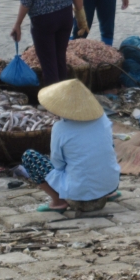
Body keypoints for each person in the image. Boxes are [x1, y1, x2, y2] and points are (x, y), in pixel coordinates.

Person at [20, 79, 121, 212]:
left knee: (30, 156)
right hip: (110, 183)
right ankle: (108, 192)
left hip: (77, 191)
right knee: (106, 147)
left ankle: (58, 201)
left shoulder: (60, 128)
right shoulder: (103, 118)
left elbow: (58, 164)